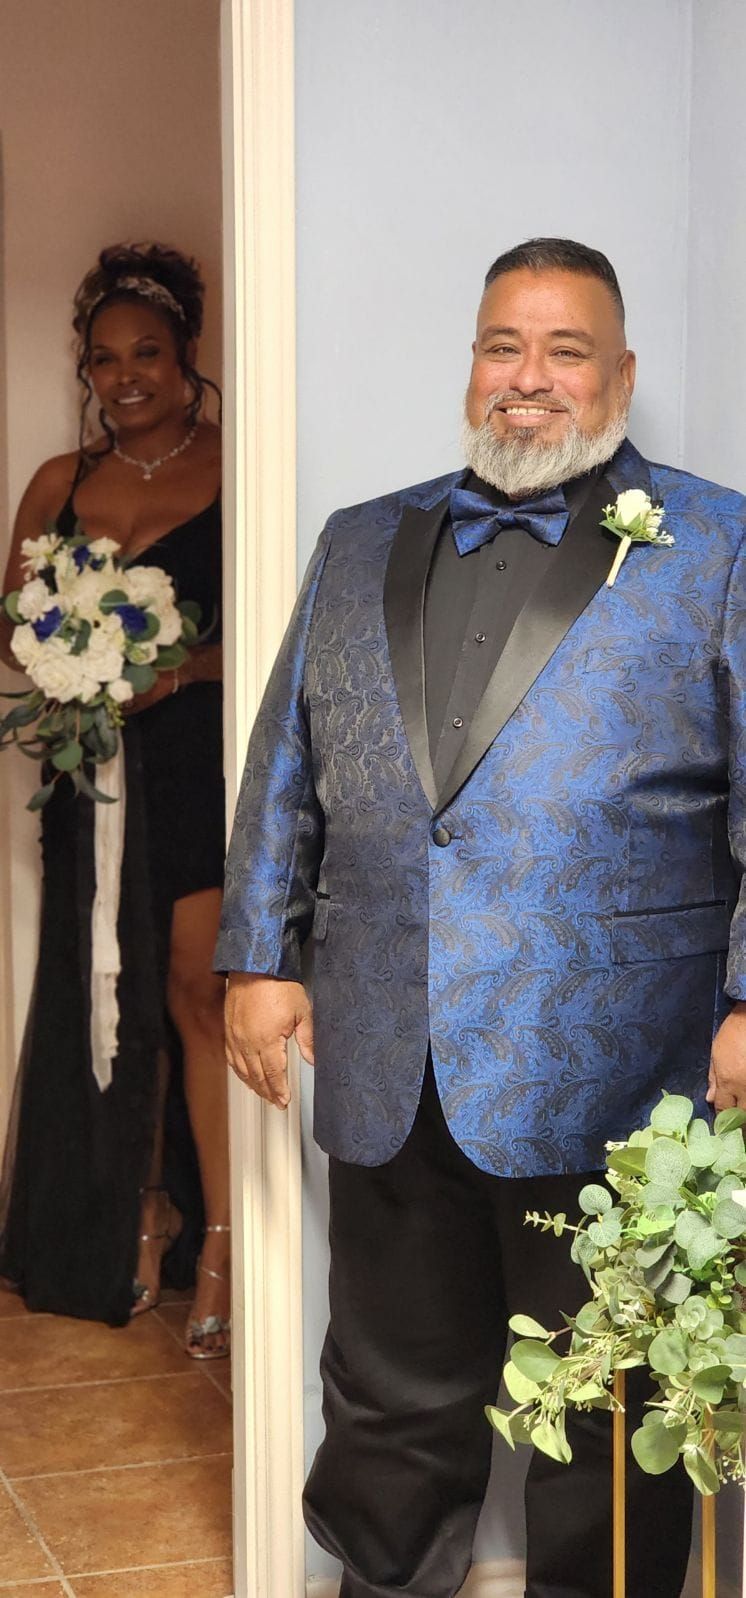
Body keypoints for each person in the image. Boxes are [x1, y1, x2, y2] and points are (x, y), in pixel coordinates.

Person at [217, 237, 746, 1594]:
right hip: (388, 1050)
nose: (529, 379)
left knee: (604, 1411)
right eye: (501, 346)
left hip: (623, 1071)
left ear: (619, 374)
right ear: (470, 367)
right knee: (389, 1395)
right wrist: (257, 956)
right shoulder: (358, 539)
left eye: (565, 350)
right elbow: (287, 759)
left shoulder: (717, 542)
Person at [0, 242, 230, 1357]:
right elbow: (10, 624)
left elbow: (275, 640)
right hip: (91, 771)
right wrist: (69, 659)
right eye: (105, 358)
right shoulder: (62, 481)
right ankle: (135, 1221)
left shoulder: (241, 464)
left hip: (195, 768)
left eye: (148, 352)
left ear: (188, 356)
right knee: (108, 997)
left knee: (195, 994)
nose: (126, 374)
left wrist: (174, 670)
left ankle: (222, 1241)